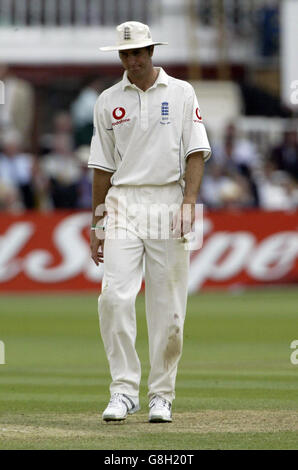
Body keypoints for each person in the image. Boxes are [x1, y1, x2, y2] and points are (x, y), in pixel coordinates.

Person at [88, 21, 211, 423]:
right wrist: (97, 224)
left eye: (139, 52)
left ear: (152, 52)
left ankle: (161, 394)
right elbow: (102, 167)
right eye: (126, 54)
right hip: (123, 202)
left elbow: (195, 150)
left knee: (169, 311)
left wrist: (189, 202)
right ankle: (123, 391)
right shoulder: (107, 100)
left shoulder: (181, 93)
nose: (133, 60)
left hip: (168, 201)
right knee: (113, 297)